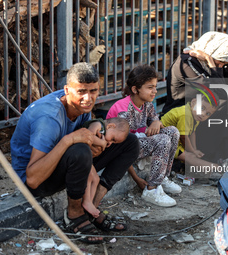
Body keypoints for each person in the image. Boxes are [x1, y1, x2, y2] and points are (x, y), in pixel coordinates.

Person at [10, 62, 139, 244]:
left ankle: (92, 206)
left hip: (65, 165)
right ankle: (74, 214)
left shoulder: (80, 107)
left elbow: (87, 134)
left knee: (130, 142)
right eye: (81, 91)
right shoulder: (49, 118)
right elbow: (32, 179)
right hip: (38, 181)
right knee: (79, 149)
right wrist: (68, 140)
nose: (88, 98)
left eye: (93, 91)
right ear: (67, 90)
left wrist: (95, 142)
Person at [162, 31, 228, 166]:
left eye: (225, 63)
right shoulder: (187, 63)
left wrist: (226, 65)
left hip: (204, 113)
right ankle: (225, 159)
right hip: (187, 118)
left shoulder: (216, 62)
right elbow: (220, 93)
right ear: (212, 52)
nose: (222, 66)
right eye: (221, 61)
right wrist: (211, 63)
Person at [106, 64, 182, 207]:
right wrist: (136, 178)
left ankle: (162, 178)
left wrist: (156, 122)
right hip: (119, 150)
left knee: (172, 131)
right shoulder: (123, 110)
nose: (154, 91)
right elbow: (122, 147)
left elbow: (156, 121)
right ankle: (151, 190)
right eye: (149, 87)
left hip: (136, 143)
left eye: (155, 86)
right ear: (135, 89)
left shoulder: (147, 104)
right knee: (162, 139)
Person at [160, 94, 228, 173]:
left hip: (174, 141)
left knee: (194, 155)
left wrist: (195, 149)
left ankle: (210, 171)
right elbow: (184, 137)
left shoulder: (194, 115)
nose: (203, 114)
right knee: (190, 157)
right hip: (164, 142)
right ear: (194, 102)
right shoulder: (185, 114)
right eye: (202, 108)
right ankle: (219, 168)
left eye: (208, 114)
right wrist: (192, 151)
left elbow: (192, 132)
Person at [82, 117, 130, 218]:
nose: (109, 144)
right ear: (110, 126)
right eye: (112, 139)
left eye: (113, 143)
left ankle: (90, 202)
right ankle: (86, 202)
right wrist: (101, 143)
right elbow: (88, 135)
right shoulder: (98, 124)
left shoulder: (104, 131)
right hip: (80, 155)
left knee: (96, 178)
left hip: (87, 157)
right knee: (89, 176)